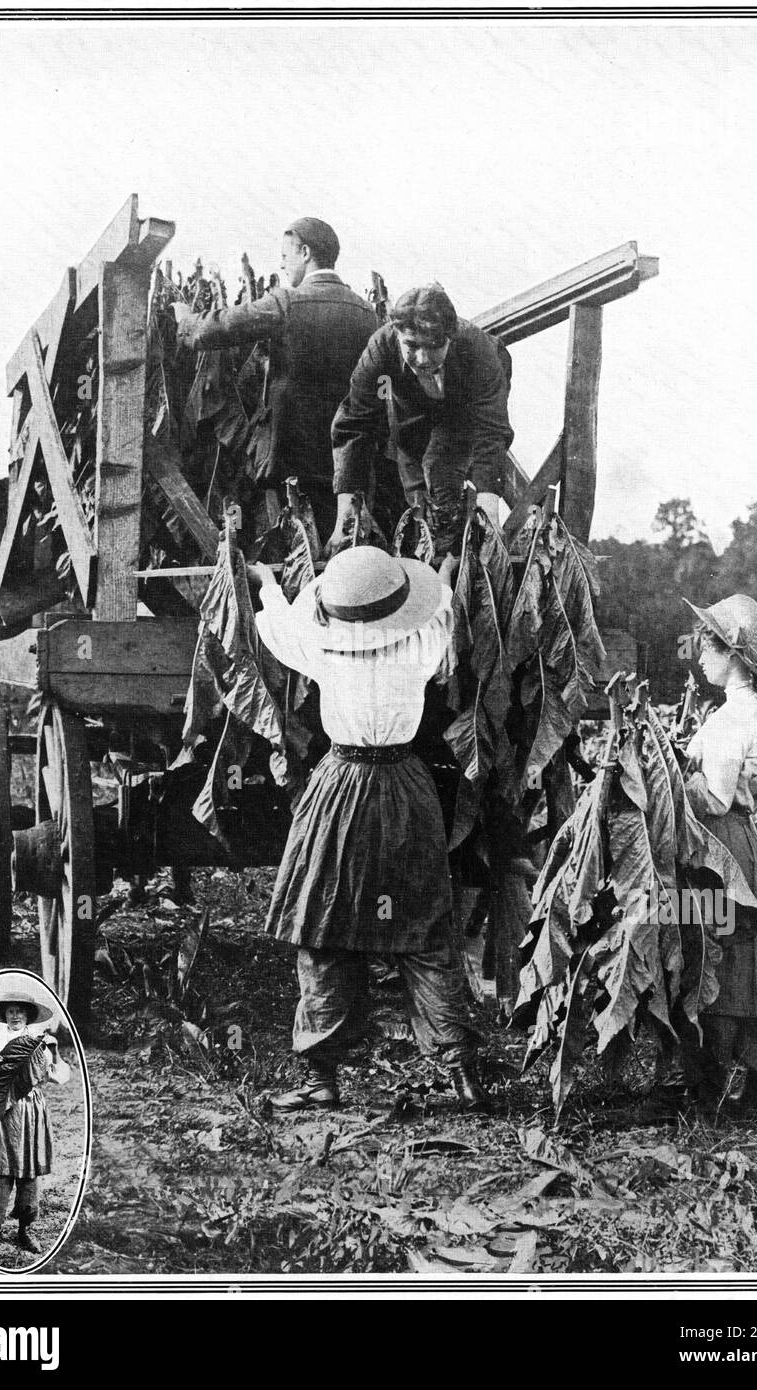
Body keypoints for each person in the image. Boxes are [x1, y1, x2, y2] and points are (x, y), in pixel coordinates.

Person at [248, 545, 487, 1112]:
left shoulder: (322, 649)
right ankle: (461, 1072)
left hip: (341, 786)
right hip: (407, 787)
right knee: (423, 931)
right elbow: (444, 610)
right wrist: (449, 569)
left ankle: (320, 1079)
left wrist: (263, 579)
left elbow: (279, 629)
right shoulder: (422, 644)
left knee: (323, 925)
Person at [174, 217, 390, 539]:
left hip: (291, 457)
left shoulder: (287, 302)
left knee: (293, 548)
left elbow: (223, 327)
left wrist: (185, 321)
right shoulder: (367, 314)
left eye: (286, 255)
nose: (282, 264)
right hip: (347, 464)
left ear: (305, 252)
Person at [674, 593, 757, 1117]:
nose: (701, 654)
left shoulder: (729, 720)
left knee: (716, 959)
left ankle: (708, 1091)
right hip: (748, 848)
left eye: (711, 645)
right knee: (748, 961)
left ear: (735, 657)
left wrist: (672, 776)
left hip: (719, 851)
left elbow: (714, 798)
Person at [329, 283, 514, 556]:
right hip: (413, 411)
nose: (423, 358)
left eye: (435, 345)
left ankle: (453, 552)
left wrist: (490, 515)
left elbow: (491, 433)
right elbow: (355, 426)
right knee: (413, 483)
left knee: (441, 469)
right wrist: (345, 517)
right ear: (397, 334)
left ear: (451, 337)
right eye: (412, 345)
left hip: (462, 409)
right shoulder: (380, 352)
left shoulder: (480, 353)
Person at [0, 990, 69, 1254]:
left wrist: (55, 1051)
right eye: (11, 1011)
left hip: (30, 1110)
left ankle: (26, 1229)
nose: (15, 1015)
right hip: (1, 1108)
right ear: (4, 1014)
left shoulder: (39, 1042)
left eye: (20, 1011)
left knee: (29, 1167)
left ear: (28, 1015)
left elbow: (58, 1077)